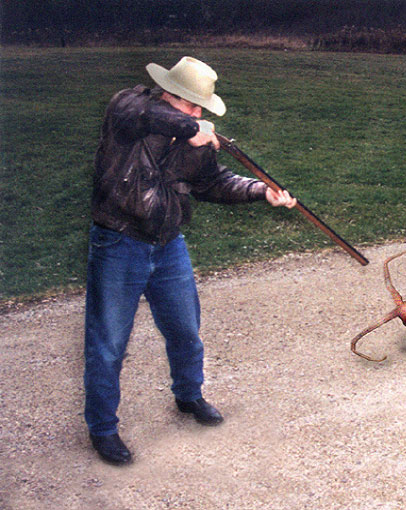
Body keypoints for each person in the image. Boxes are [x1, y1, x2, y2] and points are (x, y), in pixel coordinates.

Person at [84, 56, 297, 465]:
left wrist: (260, 191)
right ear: (171, 94)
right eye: (192, 105)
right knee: (107, 346)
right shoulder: (128, 109)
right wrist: (190, 129)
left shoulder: (194, 137)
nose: (198, 114)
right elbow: (143, 113)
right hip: (118, 244)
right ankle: (103, 429)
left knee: (186, 332)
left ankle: (189, 395)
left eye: (201, 108)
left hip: (168, 244)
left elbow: (212, 182)